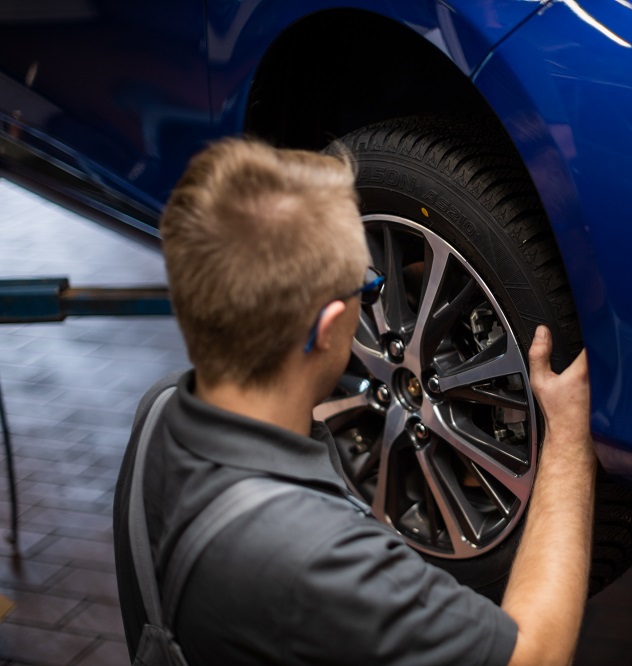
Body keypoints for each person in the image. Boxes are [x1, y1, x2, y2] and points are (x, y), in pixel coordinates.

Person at [112, 139, 597, 666]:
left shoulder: (157, 410)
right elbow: (537, 655)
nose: (374, 301)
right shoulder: (318, 557)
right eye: (367, 288)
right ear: (323, 328)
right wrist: (569, 440)